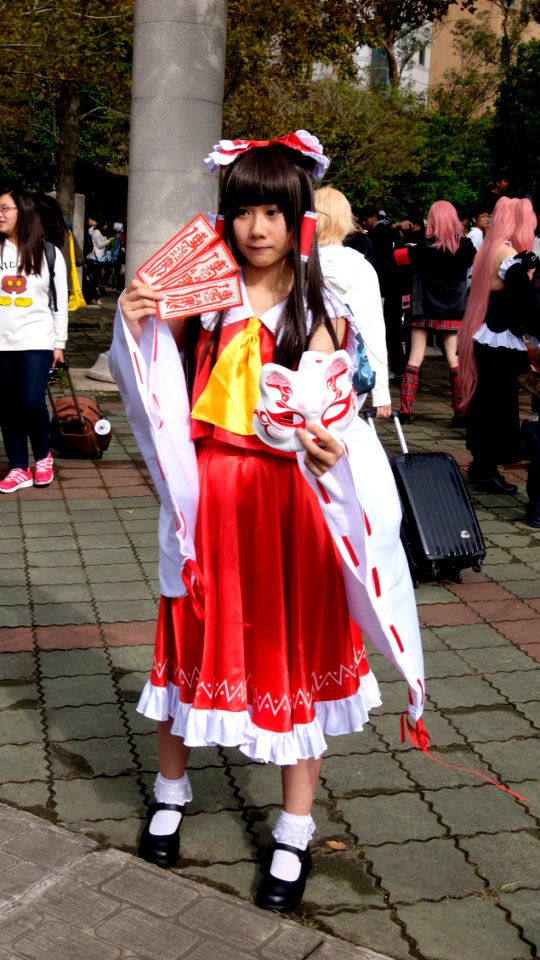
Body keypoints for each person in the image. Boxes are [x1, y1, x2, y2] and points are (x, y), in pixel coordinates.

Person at [109, 132, 426, 913]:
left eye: (273, 211)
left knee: (291, 647)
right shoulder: (201, 295)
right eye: (243, 209)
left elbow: (339, 426)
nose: (256, 228)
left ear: (300, 219)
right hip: (208, 499)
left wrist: (328, 452)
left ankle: (292, 831)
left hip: (290, 509)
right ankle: (171, 792)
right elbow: (149, 383)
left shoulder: (325, 309)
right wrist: (131, 317)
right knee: (191, 633)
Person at [459, 196, 539, 494]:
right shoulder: (507, 252)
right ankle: (488, 467)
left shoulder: (491, 249)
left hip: (489, 337)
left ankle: (483, 466)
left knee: (487, 403)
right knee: (497, 406)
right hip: (499, 340)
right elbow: (526, 301)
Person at [0, 185, 68, 492]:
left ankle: (42, 457)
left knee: (31, 402)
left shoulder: (48, 252)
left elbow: (59, 302)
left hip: (36, 340)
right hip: (2, 341)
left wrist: (59, 343)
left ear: (23, 212)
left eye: (5, 208)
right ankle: (18, 466)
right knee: (7, 406)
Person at [314, 186, 391, 418]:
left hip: (301, 365)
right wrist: (381, 393)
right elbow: (373, 329)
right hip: (349, 369)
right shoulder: (361, 268)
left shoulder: (296, 265)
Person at [398, 200, 476, 426]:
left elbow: (398, 259)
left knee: (414, 358)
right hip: (453, 308)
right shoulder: (467, 247)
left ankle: (405, 411)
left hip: (423, 308)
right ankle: (460, 412)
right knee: (455, 361)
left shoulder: (420, 246)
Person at [359, 204, 408, 380]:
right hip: (395, 286)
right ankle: (398, 367)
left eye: (366, 218)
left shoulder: (378, 233)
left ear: (373, 217)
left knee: (386, 330)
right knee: (392, 329)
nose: (365, 222)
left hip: (384, 288)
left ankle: (393, 368)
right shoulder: (389, 233)